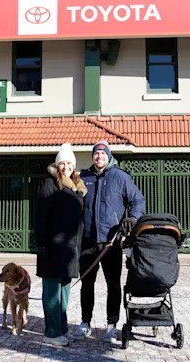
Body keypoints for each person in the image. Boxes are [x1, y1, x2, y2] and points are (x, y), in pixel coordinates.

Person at [74, 139, 146, 343]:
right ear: (92, 156)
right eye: (96, 154)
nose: (99, 157)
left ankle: (111, 324)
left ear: (109, 155)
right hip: (88, 241)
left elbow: (138, 201)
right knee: (86, 284)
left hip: (111, 242)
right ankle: (85, 323)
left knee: (113, 284)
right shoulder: (84, 178)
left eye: (103, 154)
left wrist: (132, 218)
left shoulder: (120, 177)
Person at [35, 143, 87, 347]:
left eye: (69, 163)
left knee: (65, 290)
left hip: (70, 248)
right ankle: (52, 332)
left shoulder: (76, 187)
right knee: (52, 292)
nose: (65, 167)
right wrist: (42, 243)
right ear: (57, 165)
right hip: (52, 246)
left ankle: (62, 329)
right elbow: (41, 216)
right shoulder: (49, 184)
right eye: (62, 163)